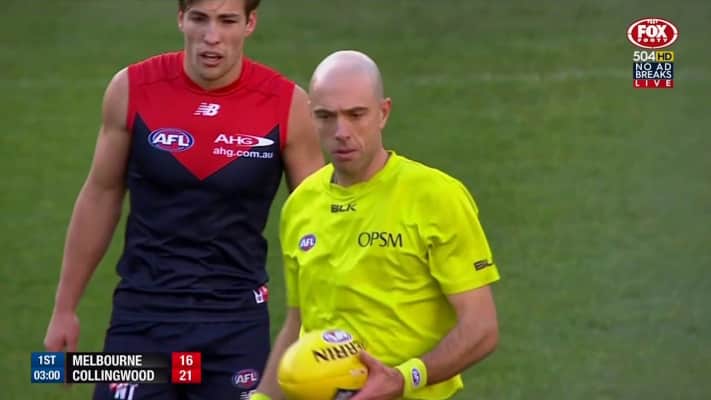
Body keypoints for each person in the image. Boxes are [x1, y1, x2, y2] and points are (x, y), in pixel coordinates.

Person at [43, 0, 324, 399]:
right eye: (199, 19)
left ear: (250, 23)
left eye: (227, 21)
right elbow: (101, 194)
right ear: (180, 19)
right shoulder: (132, 89)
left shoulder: (287, 105)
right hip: (142, 320)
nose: (212, 37)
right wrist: (64, 309)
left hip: (236, 326)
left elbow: (318, 218)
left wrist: (324, 319)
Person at [252, 50, 500, 400]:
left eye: (356, 115)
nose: (341, 132)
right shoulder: (301, 203)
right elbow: (298, 323)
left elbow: (481, 328)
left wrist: (403, 379)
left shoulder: (436, 196)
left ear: (383, 113)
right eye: (326, 116)